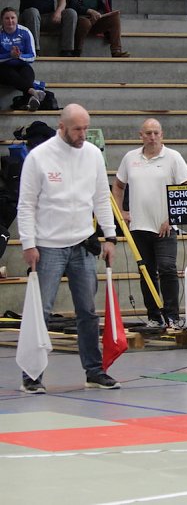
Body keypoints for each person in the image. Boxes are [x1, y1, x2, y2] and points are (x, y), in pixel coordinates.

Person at [16, 103, 119, 393]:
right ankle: (32, 374)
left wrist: (110, 237)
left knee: (87, 311)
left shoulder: (92, 156)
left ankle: (95, 370)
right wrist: (28, 243)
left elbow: (102, 197)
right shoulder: (39, 157)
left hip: (83, 243)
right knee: (42, 310)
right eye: (77, 129)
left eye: (86, 128)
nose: (83, 134)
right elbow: (26, 204)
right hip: (47, 245)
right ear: (62, 126)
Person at [112, 119, 187, 330]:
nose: (152, 137)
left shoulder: (173, 157)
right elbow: (118, 186)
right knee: (145, 272)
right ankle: (154, 317)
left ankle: (173, 316)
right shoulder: (130, 158)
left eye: (156, 133)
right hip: (139, 226)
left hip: (165, 226)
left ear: (162, 134)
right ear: (141, 135)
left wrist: (173, 218)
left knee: (167, 268)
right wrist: (120, 212)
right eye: (148, 133)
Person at [0, 7, 45, 111]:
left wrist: (19, 56)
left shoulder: (25, 32)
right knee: (9, 73)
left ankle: (27, 101)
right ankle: (33, 92)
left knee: (28, 73)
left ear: (17, 19)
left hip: (21, 64)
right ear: (2, 20)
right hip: (3, 68)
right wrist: (9, 55)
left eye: (13, 18)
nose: (10, 21)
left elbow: (32, 56)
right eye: (7, 18)